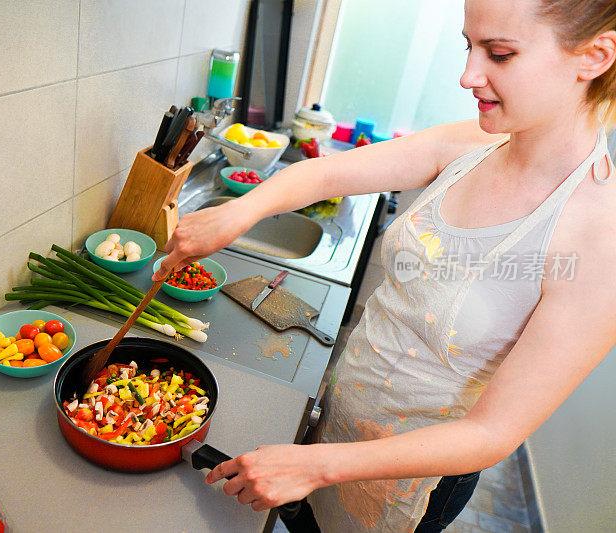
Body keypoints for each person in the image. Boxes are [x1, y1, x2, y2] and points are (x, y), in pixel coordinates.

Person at [153, 0, 616, 531]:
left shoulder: (601, 239)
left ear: (595, 56)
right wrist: (240, 210)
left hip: (408, 479)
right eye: (469, 46)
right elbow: (327, 177)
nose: (468, 76)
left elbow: (492, 434)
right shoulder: (474, 143)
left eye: (501, 54)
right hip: (334, 424)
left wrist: (317, 467)